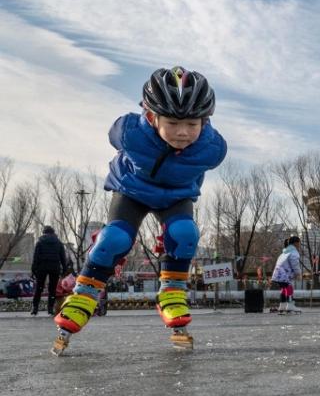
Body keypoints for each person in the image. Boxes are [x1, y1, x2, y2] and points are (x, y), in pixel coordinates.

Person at [54, 67, 227, 353]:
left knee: (185, 233)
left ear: (205, 121)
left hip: (176, 195)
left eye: (193, 125)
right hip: (132, 190)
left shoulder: (213, 149)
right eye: (172, 123)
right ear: (151, 117)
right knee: (116, 239)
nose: (183, 133)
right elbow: (114, 138)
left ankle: (172, 292)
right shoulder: (129, 132)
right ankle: (84, 293)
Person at [31, 225, 70, 316]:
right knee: (52, 289)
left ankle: (35, 308)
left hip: (42, 267)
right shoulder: (59, 243)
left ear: (44, 232)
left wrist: (33, 269)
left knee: (39, 288)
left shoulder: (40, 242)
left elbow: (35, 257)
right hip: (54, 267)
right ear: (53, 232)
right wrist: (64, 269)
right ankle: (50, 309)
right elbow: (63, 257)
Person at [271, 235, 303, 315]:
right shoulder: (293, 252)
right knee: (289, 288)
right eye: (299, 243)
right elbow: (294, 263)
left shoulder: (285, 251)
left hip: (278, 274)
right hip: (285, 274)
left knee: (284, 289)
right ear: (296, 243)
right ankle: (290, 305)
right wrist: (298, 273)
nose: (299, 245)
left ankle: (282, 306)